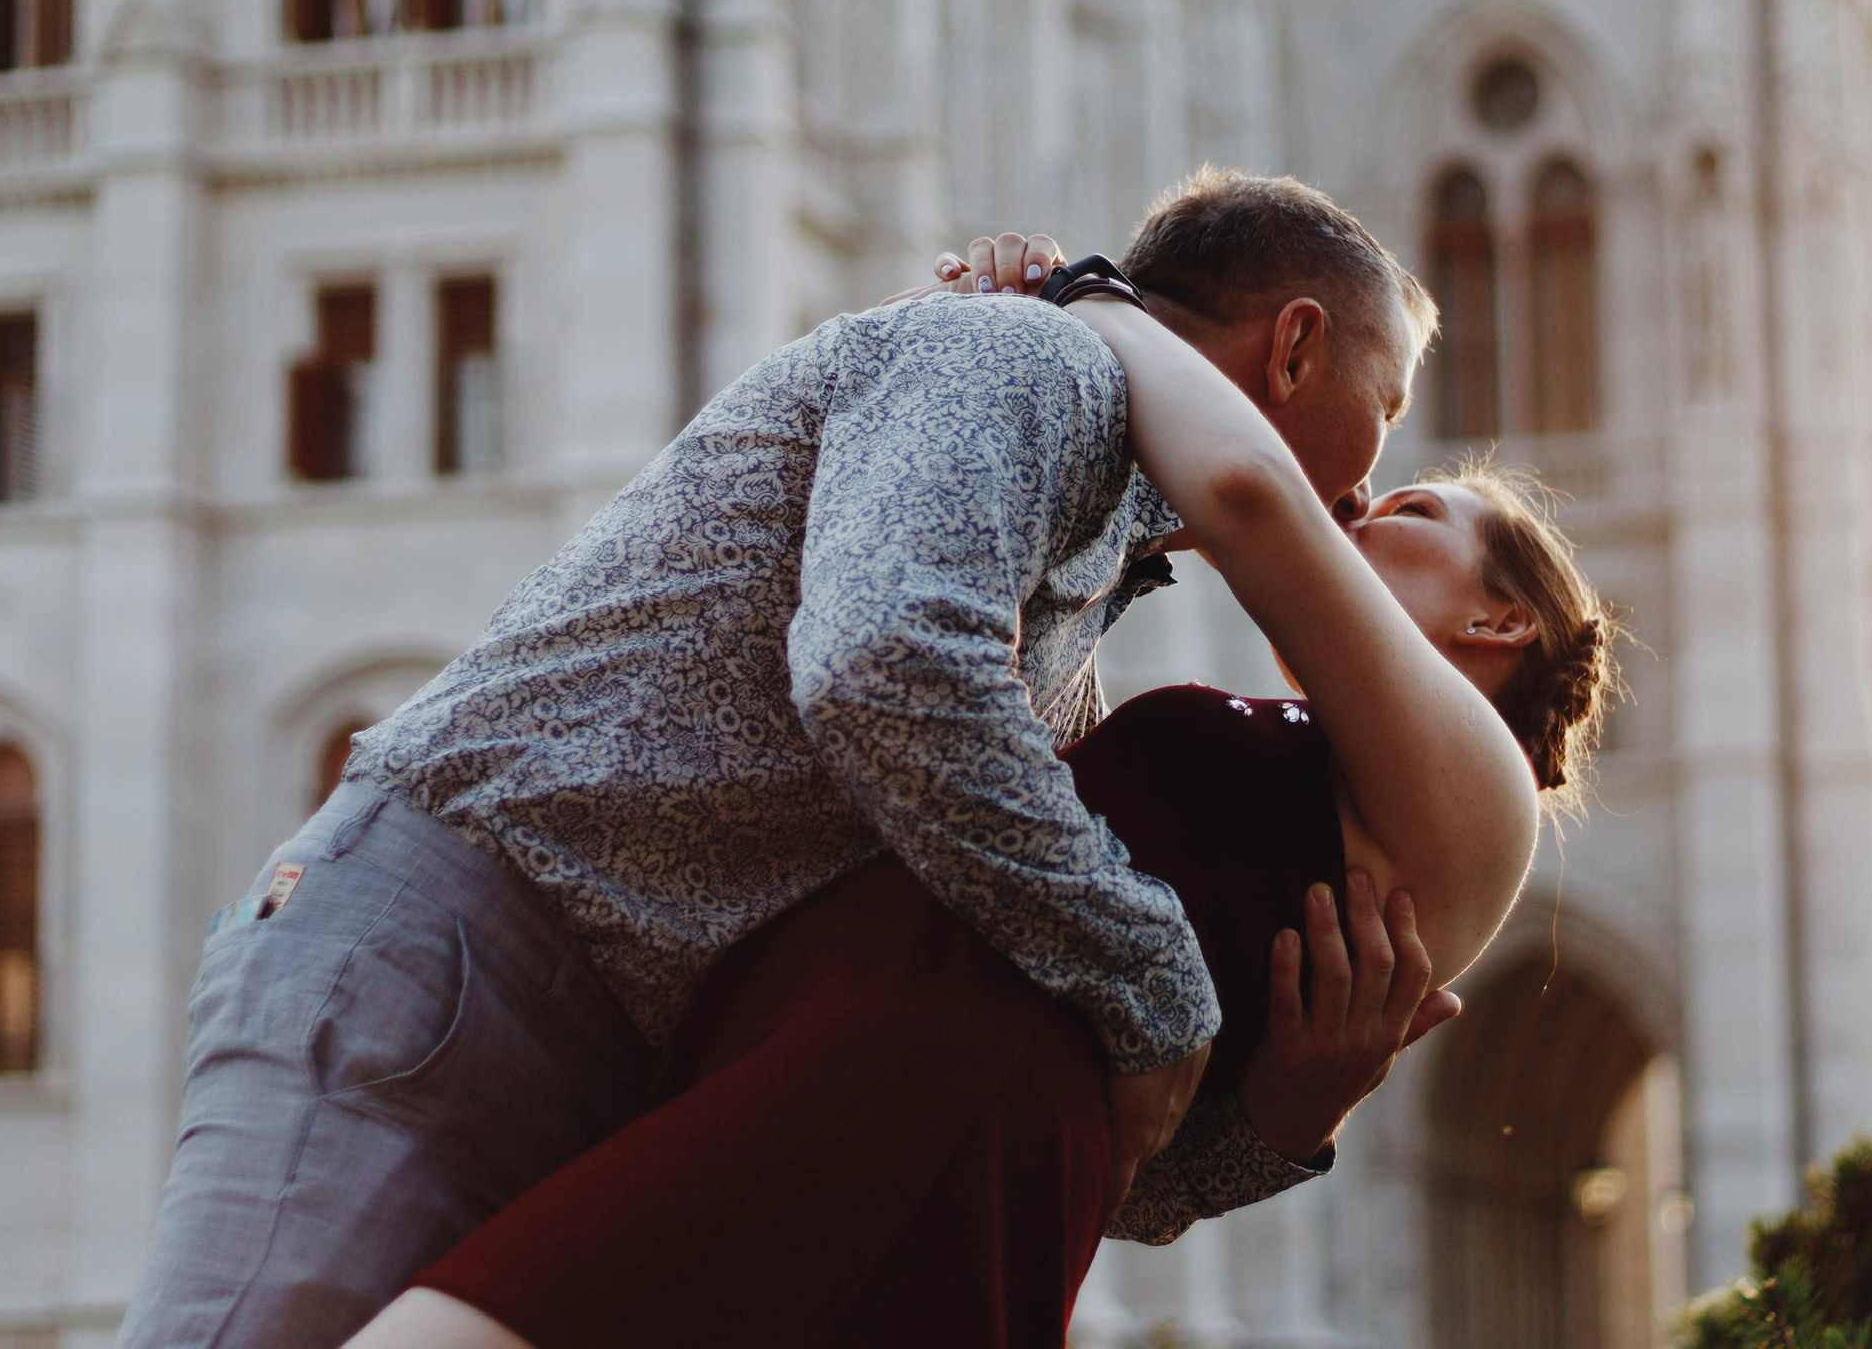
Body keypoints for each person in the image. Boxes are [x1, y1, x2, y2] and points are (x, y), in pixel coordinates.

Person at [117, 171, 1447, 1349]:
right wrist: (1156, 977)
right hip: (453, 960)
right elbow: (881, 666)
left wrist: (1281, 1120)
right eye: (1387, 409)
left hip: (598, 1054)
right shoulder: (1023, 357)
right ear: (1293, 348)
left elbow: (1030, 1080)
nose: (1359, 506)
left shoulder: (1082, 585)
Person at [337, 241, 1620, 1349]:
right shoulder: (1300, 752)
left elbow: (1244, 491)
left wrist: (1091, 299)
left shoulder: (1481, 803)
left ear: (1501, 619)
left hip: (927, 1088)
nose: (1356, 507)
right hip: (822, 1041)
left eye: (1412, 508)